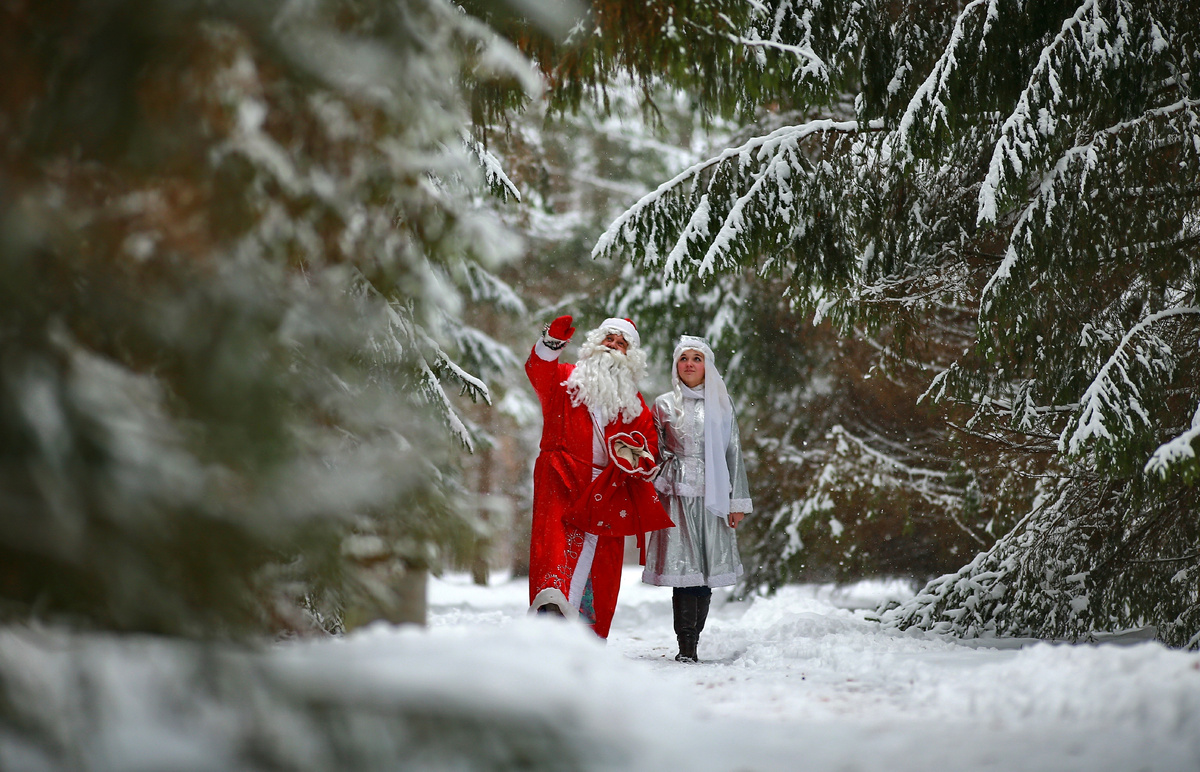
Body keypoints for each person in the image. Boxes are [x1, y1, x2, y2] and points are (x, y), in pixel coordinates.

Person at [525, 314, 670, 639]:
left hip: (607, 491)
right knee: (554, 552)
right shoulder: (565, 379)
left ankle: (584, 639)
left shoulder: (632, 403)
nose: (614, 347)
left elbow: (647, 449)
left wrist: (632, 455)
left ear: (630, 356)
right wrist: (551, 344)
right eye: (609, 339)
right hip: (561, 480)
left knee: (599, 569)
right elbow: (538, 371)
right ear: (595, 344)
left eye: (621, 344)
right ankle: (551, 618)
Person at [642, 335, 753, 663]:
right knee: (683, 571)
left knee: (705, 572)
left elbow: (733, 453)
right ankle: (686, 646)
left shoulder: (721, 403)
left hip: (714, 495)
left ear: (707, 364)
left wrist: (737, 502)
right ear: (676, 364)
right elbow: (654, 450)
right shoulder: (663, 404)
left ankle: (695, 637)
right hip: (676, 495)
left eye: (697, 358)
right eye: (683, 358)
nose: (689, 364)